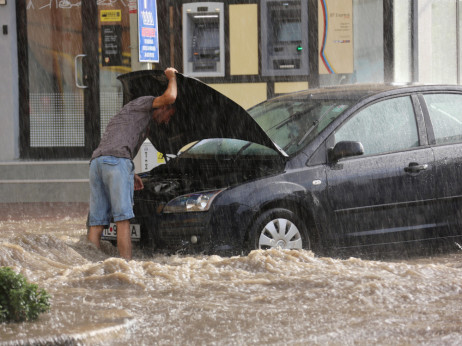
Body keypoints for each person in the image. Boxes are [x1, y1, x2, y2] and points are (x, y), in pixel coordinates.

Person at [87, 67, 178, 260]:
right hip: (115, 163)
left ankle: (89, 265)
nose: (167, 121)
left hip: (97, 164)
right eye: (169, 115)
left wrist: (132, 173)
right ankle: (126, 268)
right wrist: (172, 77)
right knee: (123, 220)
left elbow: (117, 145)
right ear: (162, 107)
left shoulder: (132, 117)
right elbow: (170, 97)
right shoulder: (145, 103)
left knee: (96, 223)